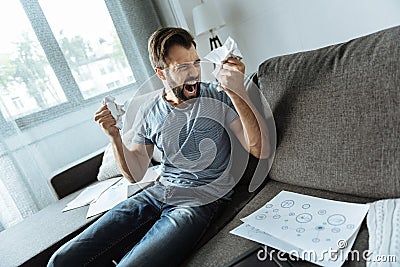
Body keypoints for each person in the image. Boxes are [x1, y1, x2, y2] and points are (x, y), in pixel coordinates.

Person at [48, 27, 269, 267]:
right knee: (60, 260)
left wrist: (236, 91)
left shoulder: (217, 96)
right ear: (161, 73)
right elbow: (135, 174)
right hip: (156, 194)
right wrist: (114, 136)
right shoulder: (149, 111)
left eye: (195, 62)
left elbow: (260, 149)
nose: (194, 73)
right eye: (182, 67)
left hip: (200, 201)